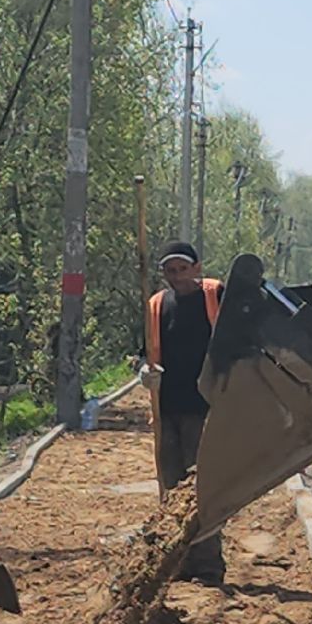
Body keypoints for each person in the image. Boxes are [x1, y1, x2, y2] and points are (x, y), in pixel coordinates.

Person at [142, 241, 225, 583]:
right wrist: (144, 372)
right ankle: (177, 562)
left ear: (196, 267)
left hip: (204, 409)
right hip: (166, 411)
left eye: (182, 269)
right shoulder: (157, 306)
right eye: (170, 271)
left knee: (202, 490)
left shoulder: (215, 296)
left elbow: (237, 340)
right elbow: (144, 350)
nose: (176, 277)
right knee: (171, 489)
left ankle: (207, 564)